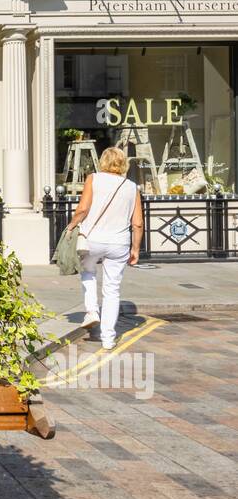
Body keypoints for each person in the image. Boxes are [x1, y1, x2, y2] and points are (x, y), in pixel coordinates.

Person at [64, 146, 143, 351]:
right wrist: (135, 249)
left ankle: (91, 311)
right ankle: (108, 338)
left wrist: (71, 225)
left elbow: (83, 209)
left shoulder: (94, 179)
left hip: (93, 240)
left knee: (88, 272)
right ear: (123, 163)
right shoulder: (132, 187)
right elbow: (138, 223)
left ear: (103, 161)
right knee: (112, 289)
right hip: (119, 243)